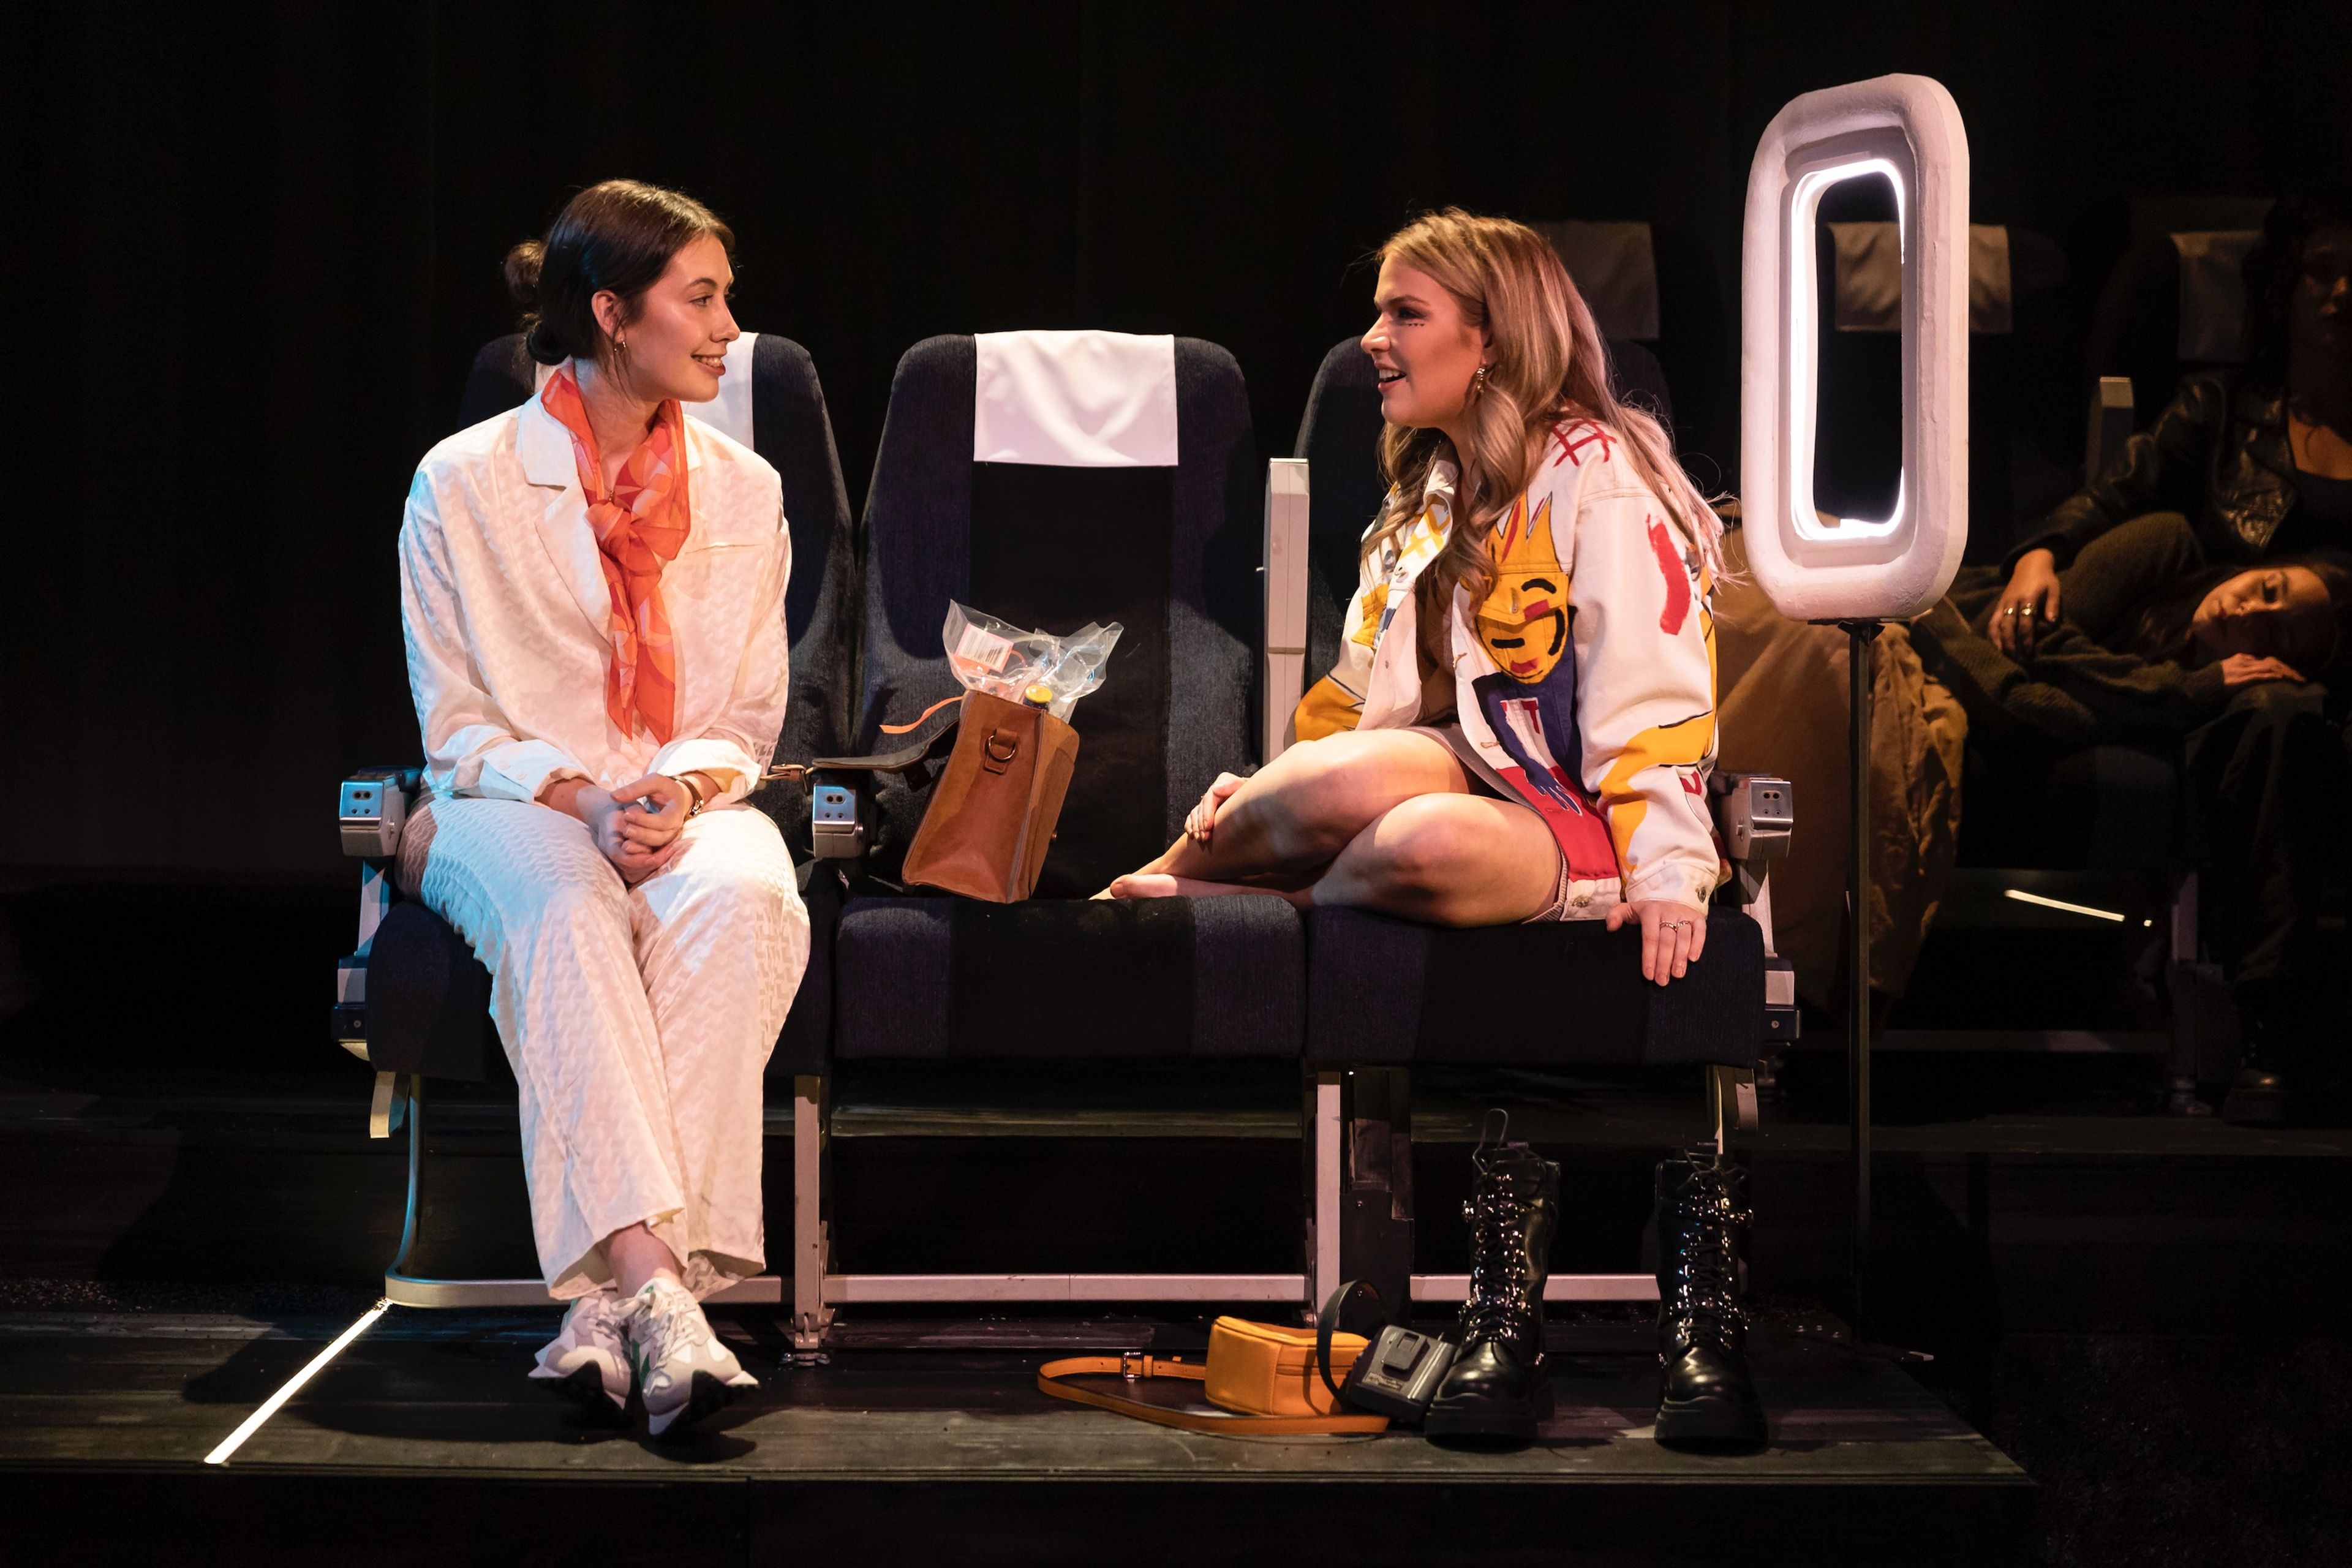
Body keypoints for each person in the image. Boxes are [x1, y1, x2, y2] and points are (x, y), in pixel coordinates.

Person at [1110, 210, 1762, 1449]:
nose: (1373, 339)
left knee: (1420, 844)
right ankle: (1131, 902)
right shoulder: (1429, 483)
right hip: (1466, 757)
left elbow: (1658, 698)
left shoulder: (1602, 475)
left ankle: (1272, 914)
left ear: (1492, 337)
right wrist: (1271, 784)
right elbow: (1364, 695)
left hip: (1578, 813)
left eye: (1404, 314)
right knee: (1325, 785)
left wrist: (1677, 869)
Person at [398, 180, 807, 1435]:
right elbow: (456, 719)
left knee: (742, 891)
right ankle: (662, 1284)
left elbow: (747, 713)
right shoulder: (460, 481)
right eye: (704, 297)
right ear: (612, 314)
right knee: (569, 907)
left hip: (680, 789)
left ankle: (612, 1309)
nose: (733, 325)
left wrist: (676, 789)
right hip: (507, 794)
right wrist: (579, 794)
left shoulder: (746, 490)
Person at [1978, 190, 2352, 1124]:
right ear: (2284, 288)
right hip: (2240, 663)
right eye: (2322, 271)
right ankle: (2268, 1026)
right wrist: (2039, 552)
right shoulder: (2228, 409)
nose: (2342, 291)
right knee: (2275, 721)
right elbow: (2112, 500)